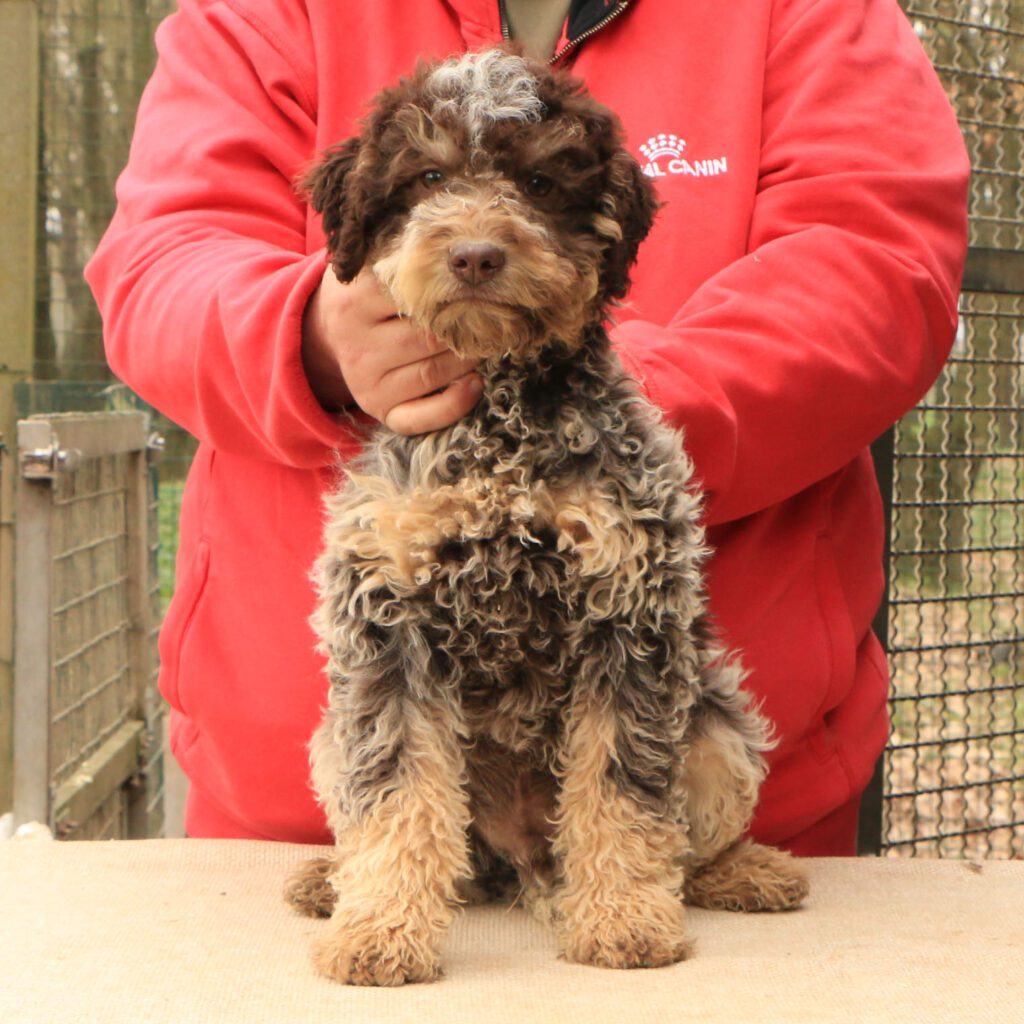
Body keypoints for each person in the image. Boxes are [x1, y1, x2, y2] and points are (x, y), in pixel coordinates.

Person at [85, 0, 969, 853]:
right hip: (297, 822)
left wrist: (608, 414)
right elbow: (156, 261)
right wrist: (310, 336)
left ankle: (650, 852)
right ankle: (393, 853)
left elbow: (881, 264)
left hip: (708, 811)